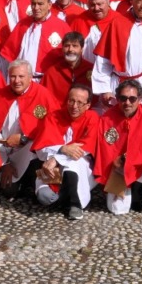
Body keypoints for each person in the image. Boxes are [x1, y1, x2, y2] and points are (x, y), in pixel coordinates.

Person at [93, 79, 142, 215]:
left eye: (132, 99)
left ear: (140, 99)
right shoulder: (107, 118)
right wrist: (115, 162)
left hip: (139, 165)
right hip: (116, 168)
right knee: (117, 210)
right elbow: (104, 148)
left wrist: (128, 159)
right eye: (123, 98)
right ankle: (127, 193)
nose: (127, 103)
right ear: (118, 99)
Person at [32, 84, 100, 220]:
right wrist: (61, 149)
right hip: (54, 170)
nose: (74, 106)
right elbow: (41, 148)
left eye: (80, 103)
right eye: (71, 100)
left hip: (81, 168)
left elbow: (84, 148)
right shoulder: (53, 117)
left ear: (87, 105)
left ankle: (75, 203)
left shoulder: (92, 118)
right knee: (45, 197)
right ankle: (65, 194)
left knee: (75, 162)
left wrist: (56, 159)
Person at [0, 59, 56, 193]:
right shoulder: (1, 95)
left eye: (21, 76)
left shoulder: (43, 94)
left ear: (30, 78)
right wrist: (5, 163)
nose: (16, 81)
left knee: (47, 197)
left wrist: (24, 138)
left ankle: (44, 186)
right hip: (5, 149)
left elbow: (52, 129)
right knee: (9, 190)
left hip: (33, 151)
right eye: (13, 76)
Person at [0, 0, 72, 79]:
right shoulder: (22, 25)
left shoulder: (61, 27)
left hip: (48, 79)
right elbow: (10, 54)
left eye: (40, 4)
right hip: (23, 80)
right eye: (33, 4)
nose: (36, 8)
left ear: (49, 5)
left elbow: (69, 56)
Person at [41, 31, 91, 104]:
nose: (70, 49)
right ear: (62, 49)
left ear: (82, 49)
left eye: (75, 46)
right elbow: (43, 98)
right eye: (67, 46)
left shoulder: (91, 70)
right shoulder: (52, 72)